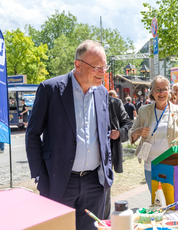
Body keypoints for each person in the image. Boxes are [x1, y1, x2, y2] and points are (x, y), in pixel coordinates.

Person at [26, 40, 113, 230]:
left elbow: (105, 133)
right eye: (96, 66)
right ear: (78, 64)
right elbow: (32, 135)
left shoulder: (103, 93)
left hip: (94, 184)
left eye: (104, 66)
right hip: (59, 182)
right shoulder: (50, 89)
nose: (102, 72)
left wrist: (107, 170)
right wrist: (40, 176)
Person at [129, 75, 178, 193]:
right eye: (158, 89)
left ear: (169, 91)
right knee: (156, 202)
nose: (161, 92)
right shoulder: (143, 110)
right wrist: (137, 132)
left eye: (165, 89)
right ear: (152, 92)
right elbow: (131, 133)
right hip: (151, 166)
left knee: (174, 201)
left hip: (173, 165)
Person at [104, 93, 133, 219]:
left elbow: (128, 124)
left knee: (105, 195)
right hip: (80, 161)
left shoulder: (114, 103)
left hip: (106, 157)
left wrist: (119, 133)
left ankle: (104, 224)